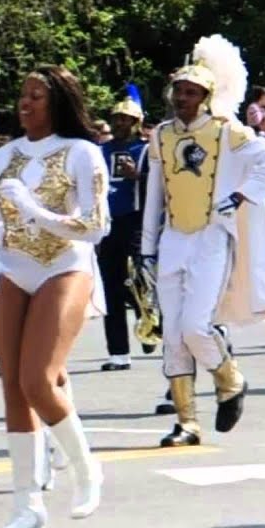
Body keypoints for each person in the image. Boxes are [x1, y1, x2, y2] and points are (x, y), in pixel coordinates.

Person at [0, 66, 110, 528]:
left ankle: (86, 469)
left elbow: (94, 227)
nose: (26, 103)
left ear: (59, 103)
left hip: (66, 266)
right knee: (13, 387)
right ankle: (26, 505)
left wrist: (33, 210)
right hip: (10, 270)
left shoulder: (81, 153)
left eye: (37, 96)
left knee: (37, 380)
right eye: (22, 95)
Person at [140, 35, 265, 448]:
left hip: (210, 238)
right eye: (179, 92)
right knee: (172, 333)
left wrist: (240, 195)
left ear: (207, 97)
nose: (183, 99)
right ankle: (186, 422)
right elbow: (155, 193)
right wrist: (146, 249)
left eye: (192, 93)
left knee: (194, 325)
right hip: (173, 239)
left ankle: (229, 379)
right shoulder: (162, 135)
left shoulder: (227, 132)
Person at [97, 84, 149, 371]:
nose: (120, 124)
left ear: (136, 122)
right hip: (108, 224)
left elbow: (162, 187)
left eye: (126, 119)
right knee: (110, 287)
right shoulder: (99, 151)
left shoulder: (147, 150)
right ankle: (118, 352)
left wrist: (137, 176)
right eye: (116, 118)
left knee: (141, 279)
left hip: (137, 220)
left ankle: (148, 323)